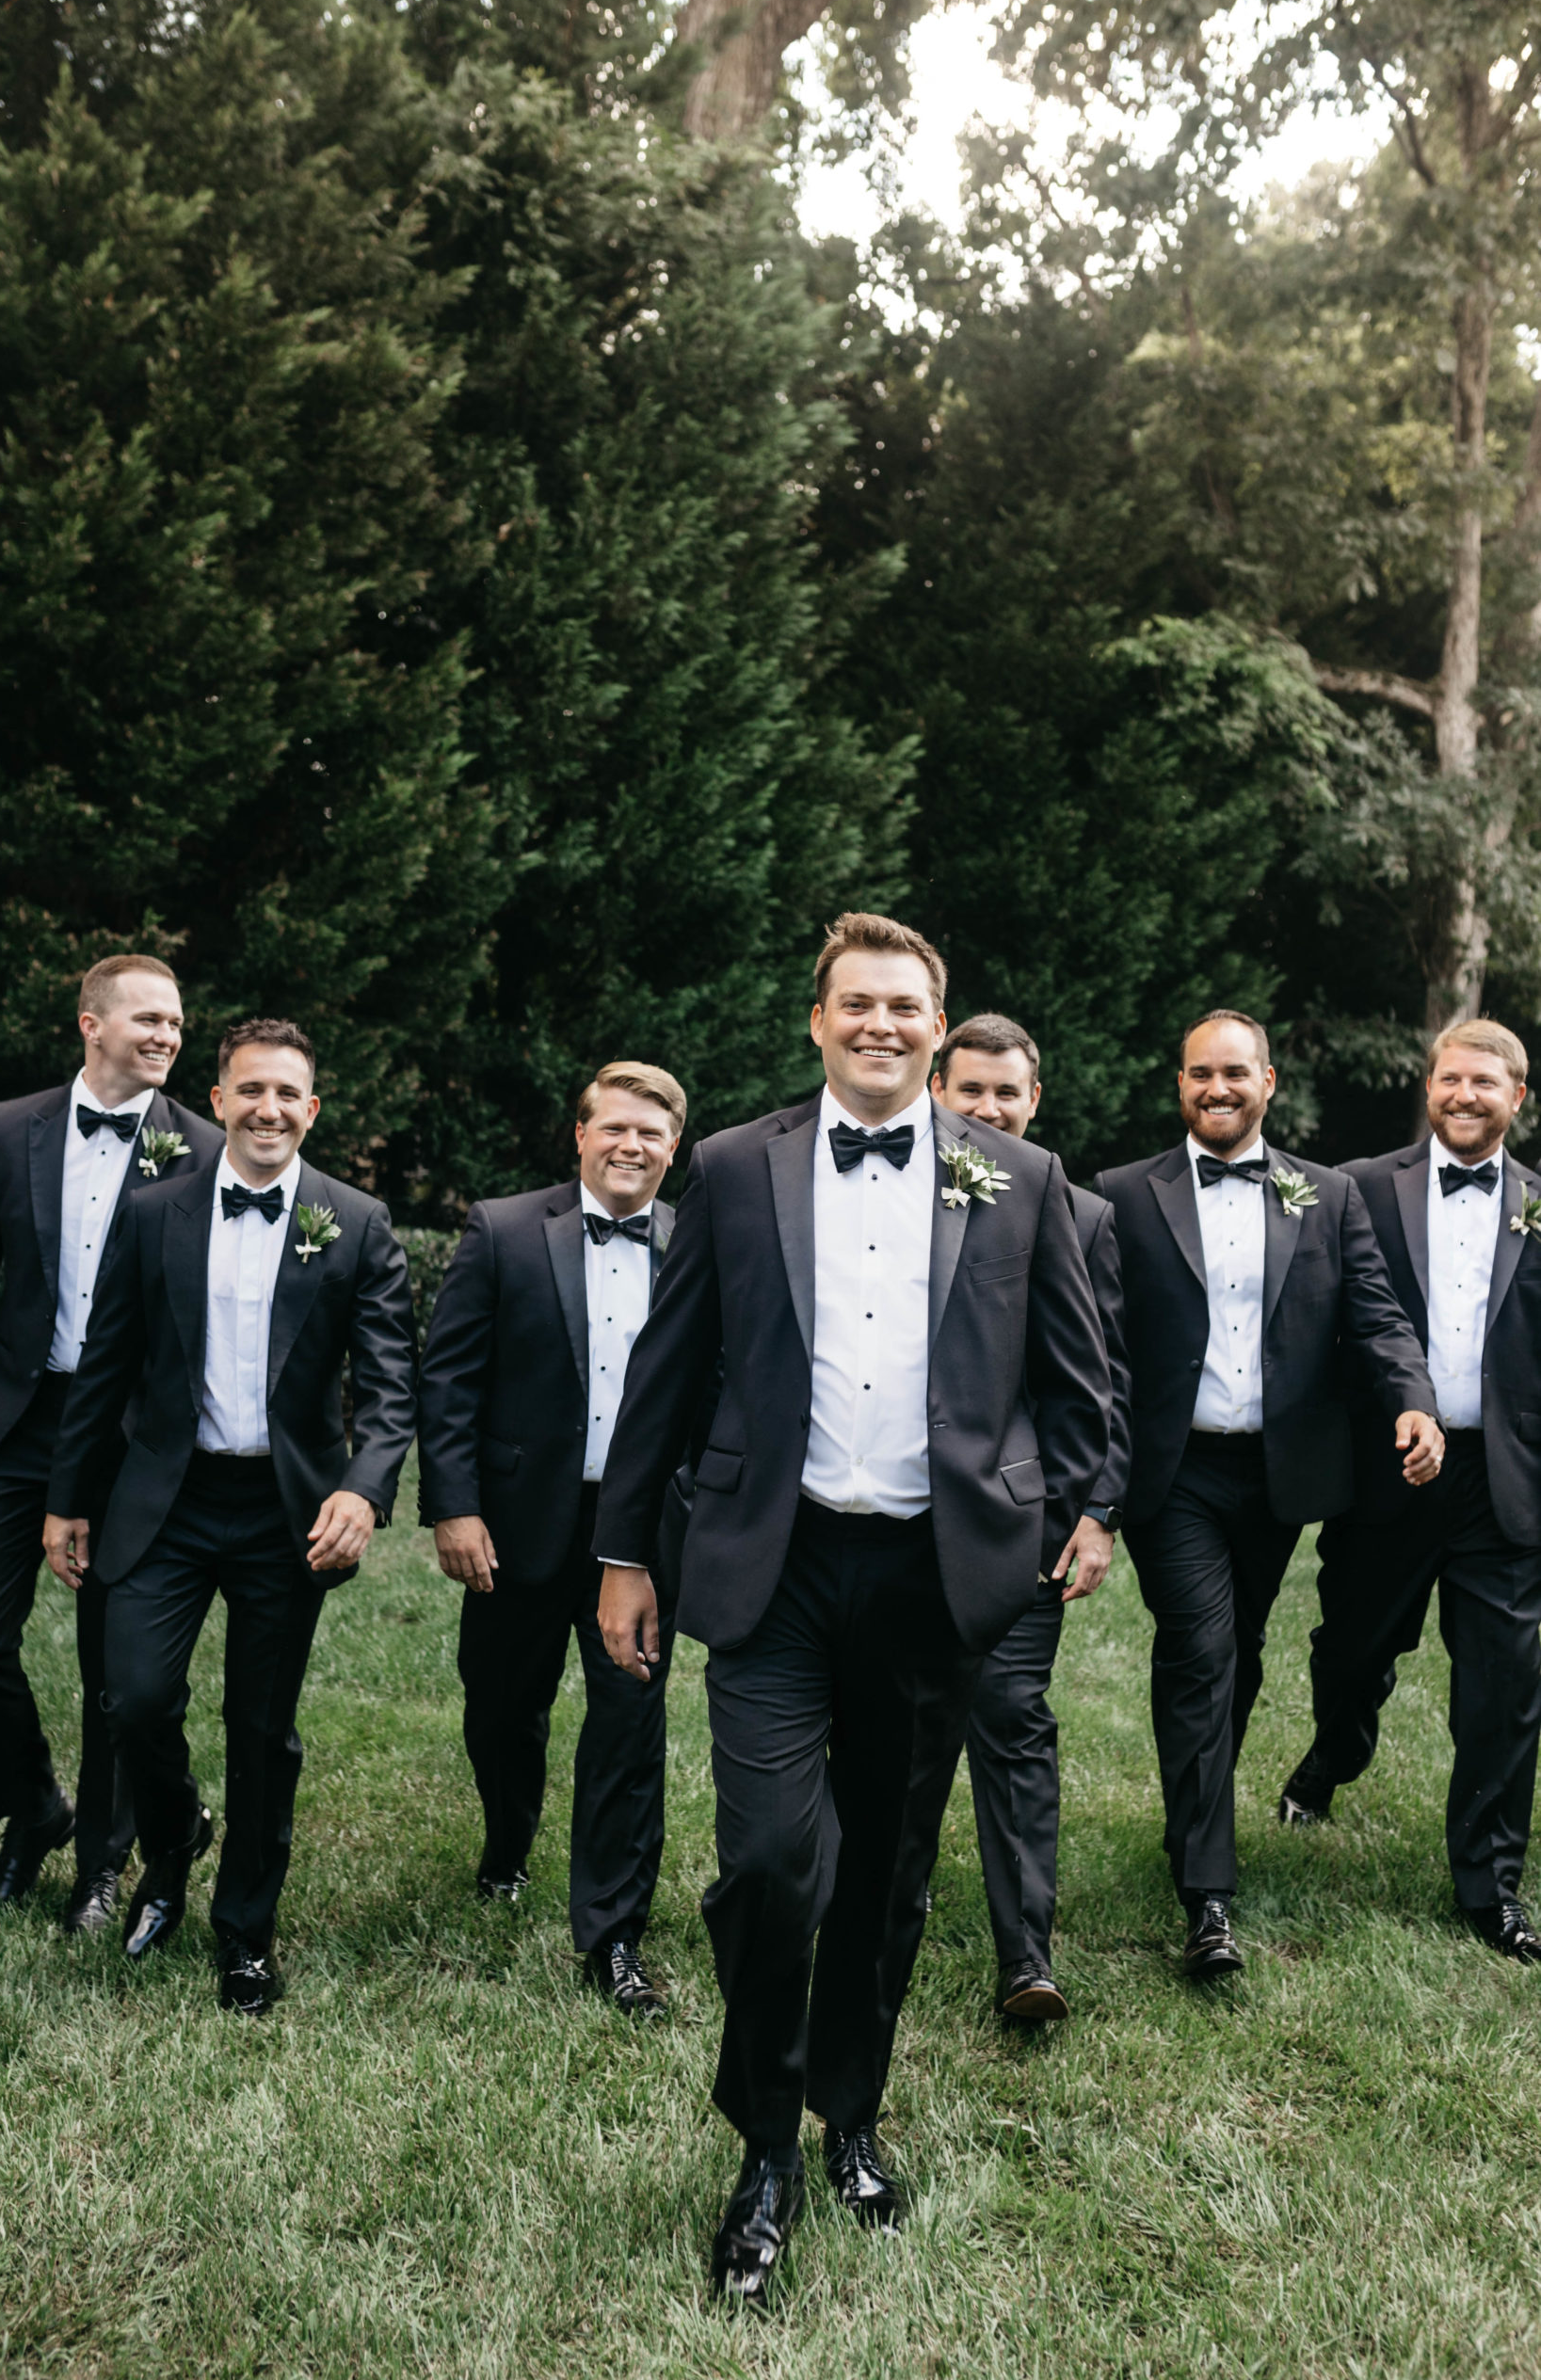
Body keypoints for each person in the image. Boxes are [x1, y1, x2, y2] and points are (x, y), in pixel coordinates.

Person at [593, 913, 1110, 2308]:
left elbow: (1076, 1373)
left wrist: (1083, 1508)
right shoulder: (731, 1166)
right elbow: (665, 1368)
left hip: (934, 1580)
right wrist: (624, 1553)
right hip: (772, 1566)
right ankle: (763, 2147)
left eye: (904, 1006)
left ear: (937, 1027)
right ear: (817, 1021)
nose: (880, 1025)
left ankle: (849, 2114)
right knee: (771, 1863)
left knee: (885, 1874)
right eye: (856, 1004)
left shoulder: (1019, 1177)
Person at [41, 1019, 415, 2013]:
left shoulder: (355, 1222)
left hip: (287, 1513)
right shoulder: (153, 1212)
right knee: (132, 1699)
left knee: (261, 1729)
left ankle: (245, 1931)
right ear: (217, 1101)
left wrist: (362, 1487)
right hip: (166, 1500)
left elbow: (391, 1388)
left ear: (312, 1109)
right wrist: (67, 1500)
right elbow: (104, 1364)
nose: (268, 1109)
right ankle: (173, 1841)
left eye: (288, 1093)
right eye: (250, 1090)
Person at [1090, 1010, 1443, 1980]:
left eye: (1235, 1073)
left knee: (1237, 1654)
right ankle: (1207, 1896)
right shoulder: (1123, 1195)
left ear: (1268, 1082)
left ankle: (1191, 1815)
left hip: (1278, 1473)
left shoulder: (1326, 1195)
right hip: (1174, 1471)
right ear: (1180, 1084)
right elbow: (1100, 1343)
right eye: (1200, 1073)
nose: (1218, 1088)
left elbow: (1376, 1315)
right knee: (1201, 1649)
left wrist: (1413, 1400)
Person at [0, 953, 219, 1929]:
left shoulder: (203, 1150)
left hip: (132, 1439)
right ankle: (34, 1810)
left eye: (175, 1022)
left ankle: (102, 1861)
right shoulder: (8, 1128)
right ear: (91, 1024)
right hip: (16, 1419)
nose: (167, 1035)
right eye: (148, 1019)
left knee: (113, 1666)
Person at [417, 1061, 686, 2016]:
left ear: (674, 1148)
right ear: (580, 1135)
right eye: (614, 1127)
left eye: (651, 1133)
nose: (630, 1145)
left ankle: (613, 1934)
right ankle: (506, 1841)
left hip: (641, 1528)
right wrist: (454, 1506)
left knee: (628, 1724)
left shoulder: (699, 1242)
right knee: (500, 1707)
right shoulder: (503, 1230)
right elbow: (448, 1377)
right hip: (518, 1517)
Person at [877, 1013, 1131, 2026]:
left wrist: (1094, 1510)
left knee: (1013, 1715)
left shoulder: (1083, 1214)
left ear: (1035, 1100)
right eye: (969, 1089)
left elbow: (1103, 1383)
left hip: (1019, 1523)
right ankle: (882, 1911)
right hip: (894, 1524)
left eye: (1006, 1093)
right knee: (894, 1725)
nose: (987, 1108)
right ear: (937, 1090)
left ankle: (1026, 1956)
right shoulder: (876, 1199)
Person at [1280, 1020, 1541, 1959]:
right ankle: (1334, 1753)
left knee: (1503, 1689)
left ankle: (1490, 1884)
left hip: (1504, 1478)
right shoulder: (1358, 1189)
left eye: (1484, 1083)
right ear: (1428, 1087)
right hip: (1385, 1474)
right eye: (1449, 1079)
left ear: (1518, 1099)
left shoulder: (1539, 1205)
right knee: (1349, 1653)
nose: (1464, 1095)